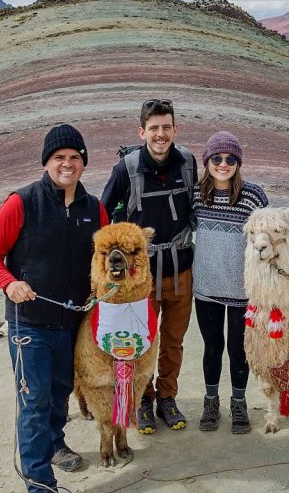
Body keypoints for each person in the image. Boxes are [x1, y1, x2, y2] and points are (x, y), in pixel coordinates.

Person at [0, 124, 108, 493]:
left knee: (59, 391)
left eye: (74, 157)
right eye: (59, 158)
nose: (67, 164)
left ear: (82, 162)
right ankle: (40, 483)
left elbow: (103, 257)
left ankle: (54, 443)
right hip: (29, 325)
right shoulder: (21, 202)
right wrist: (10, 282)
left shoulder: (94, 209)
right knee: (33, 400)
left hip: (72, 323)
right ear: (47, 162)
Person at [102, 99, 197, 433]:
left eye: (166, 127)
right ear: (142, 131)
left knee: (173, 340)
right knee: (140, 340)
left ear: (175, 129)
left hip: (181, 269)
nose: (160, 134)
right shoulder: (126, 170)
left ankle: (167, 398)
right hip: (140, 277)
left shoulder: (187, 163)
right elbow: (104, 216)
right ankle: (143, 399)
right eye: (154, 128)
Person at [190, 131, 269, 434]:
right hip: (207, 289)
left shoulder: (253, 196)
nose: (223, 164)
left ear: (238, 162)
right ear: (207, 161)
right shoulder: (196, 194)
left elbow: (266, 238)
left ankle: (239, 404)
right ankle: (211, 402)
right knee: (212, 347)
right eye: (217, 158)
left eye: (230, 158)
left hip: (242, 290)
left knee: (239, 349)